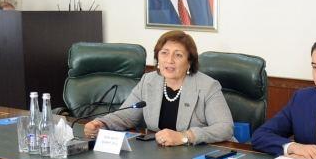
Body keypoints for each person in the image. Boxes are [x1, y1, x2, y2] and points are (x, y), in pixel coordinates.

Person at [83, 31, 233, 146]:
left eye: (178, 55)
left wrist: (184, 137)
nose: (169, 60)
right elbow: (126, 116)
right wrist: (102, 123)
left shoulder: (207, 86)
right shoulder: (149, 81)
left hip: (200, 155)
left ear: (189, 62)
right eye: (164, 53)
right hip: (161, 155)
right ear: (157, 58)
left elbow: (225, 128)